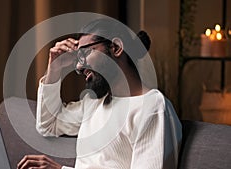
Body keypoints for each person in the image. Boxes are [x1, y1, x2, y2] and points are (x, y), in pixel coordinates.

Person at [17, 18, 182, 169]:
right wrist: (54, 68)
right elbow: (47, 125)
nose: (79, 67)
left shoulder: (152, 108)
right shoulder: (94, 103)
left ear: (116, 48)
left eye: (85, 54)